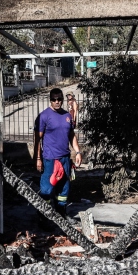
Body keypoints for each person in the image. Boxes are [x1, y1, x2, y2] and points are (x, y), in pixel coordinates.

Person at [34, 88, 83, 219]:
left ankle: (61, 214)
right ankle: (43, 217)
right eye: (54, 99)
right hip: (50, 159)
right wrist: (38, 158)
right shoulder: (44, 116)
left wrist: (78, 152)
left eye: (59, 99)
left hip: (65, 158)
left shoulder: (67, 116)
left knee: (63, 188)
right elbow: (37, 139)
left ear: (62, 100)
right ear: (50, 100)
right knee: (46, 189)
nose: (57, 102)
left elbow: (71, 135)